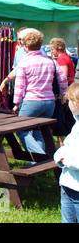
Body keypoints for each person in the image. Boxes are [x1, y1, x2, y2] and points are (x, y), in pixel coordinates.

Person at [13, 29, 68, 155]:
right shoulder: (51, 61)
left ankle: (42, 157)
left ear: (26, 46)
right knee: (39, 131)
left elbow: (19, 85)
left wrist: (16, 103)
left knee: (20, 130)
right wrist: (63, 94)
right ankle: (37, 163)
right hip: (49, 102)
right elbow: (63, 79)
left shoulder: (24, 62)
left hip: (32, 101)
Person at [54, 82, 79, 223]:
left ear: (76, 103)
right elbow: (67, 146)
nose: (67, 104)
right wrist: (58, 155)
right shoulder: (75, 125)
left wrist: (67, 161)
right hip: (67, 186)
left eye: (69, 101)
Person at [50, 38, 76, 146]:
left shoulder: (62, 60)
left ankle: (61, 144)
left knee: (62, 120)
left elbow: (63, 76)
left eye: (52, 49)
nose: (51, 51)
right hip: (69, 89)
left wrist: (62, 94)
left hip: (65, 91)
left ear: (58, 49)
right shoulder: (67, 57)